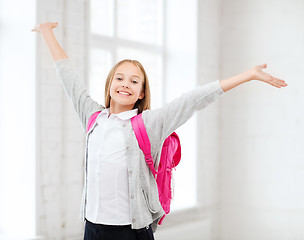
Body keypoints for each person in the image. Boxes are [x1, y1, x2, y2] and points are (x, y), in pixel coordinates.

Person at [31, 22, 287, 240]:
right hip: (93, 227)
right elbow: (69, 77)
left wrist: (248, 75)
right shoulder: (92, 116)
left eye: (134, 81)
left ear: (142, 92)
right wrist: (46, 32)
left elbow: (193, 99)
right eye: (119, 78)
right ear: (110, 84)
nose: (125, 84)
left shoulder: (149, 123)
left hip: (131, 229)